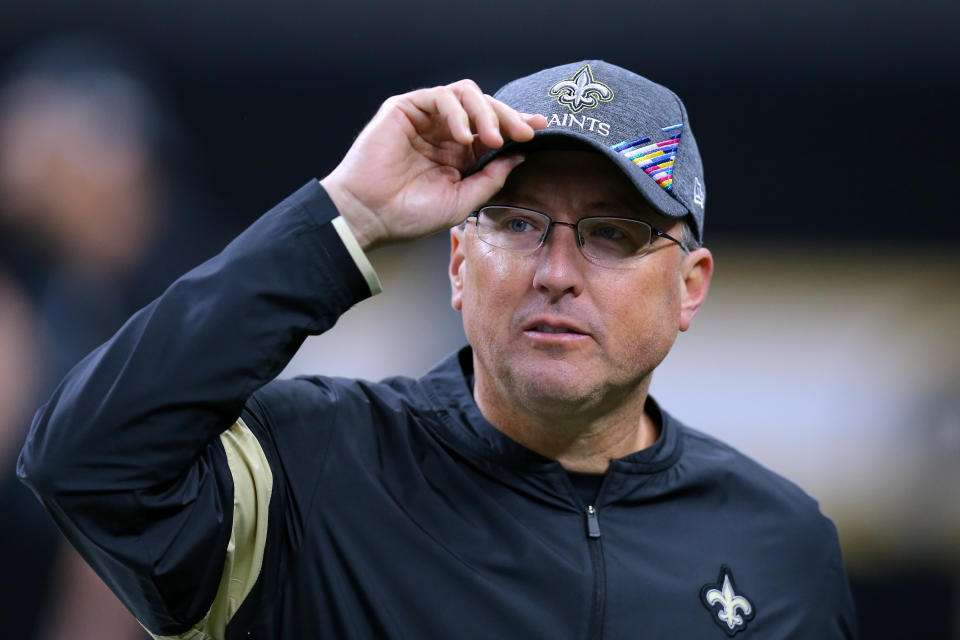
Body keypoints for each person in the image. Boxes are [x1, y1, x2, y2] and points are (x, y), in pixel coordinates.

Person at [18, 60, 858, 639]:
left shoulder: (781, 548)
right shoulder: (310, 472)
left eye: (613, 232)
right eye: (520, 223)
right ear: (459, 263)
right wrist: (348, 211)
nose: (557, 272)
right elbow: (86, 463)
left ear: (691, 287)